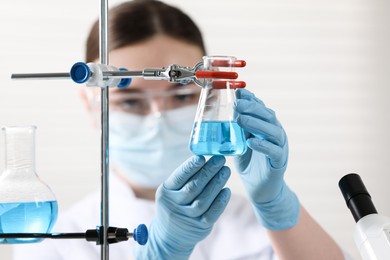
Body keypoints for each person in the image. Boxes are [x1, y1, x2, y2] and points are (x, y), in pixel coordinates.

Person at [13, 0, 352, 259]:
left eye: (181, 95)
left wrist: (277, 207)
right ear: (90, 105)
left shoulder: (257, 225)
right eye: (130, 101)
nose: (158, 115)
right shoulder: (54, 243)